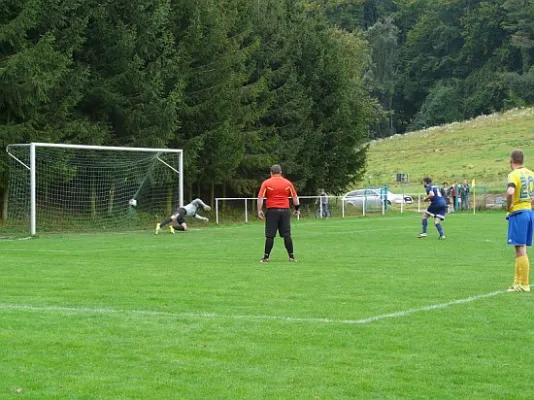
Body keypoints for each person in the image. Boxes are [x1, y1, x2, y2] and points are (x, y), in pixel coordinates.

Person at [257, 164, 300, 262]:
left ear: (271, 173)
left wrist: (259, 210)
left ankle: (266, 257)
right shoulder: (288, 183)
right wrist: (297, 209)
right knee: (287, 235)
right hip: (284, 211)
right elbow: (295, 197)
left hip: (272, 211)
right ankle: (291, 256)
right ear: (281, 172)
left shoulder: (266, 183)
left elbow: (260, 197)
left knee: (270, 235)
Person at [505, 149, 533, 292]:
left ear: (512, 160)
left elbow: (510, 192)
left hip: (518, 213)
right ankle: (517, 282)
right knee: (520, 248)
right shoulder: (531, 174)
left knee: (520, 249)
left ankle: (524, 284)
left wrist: (509, 205)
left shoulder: (513, 174)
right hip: (529, 212)